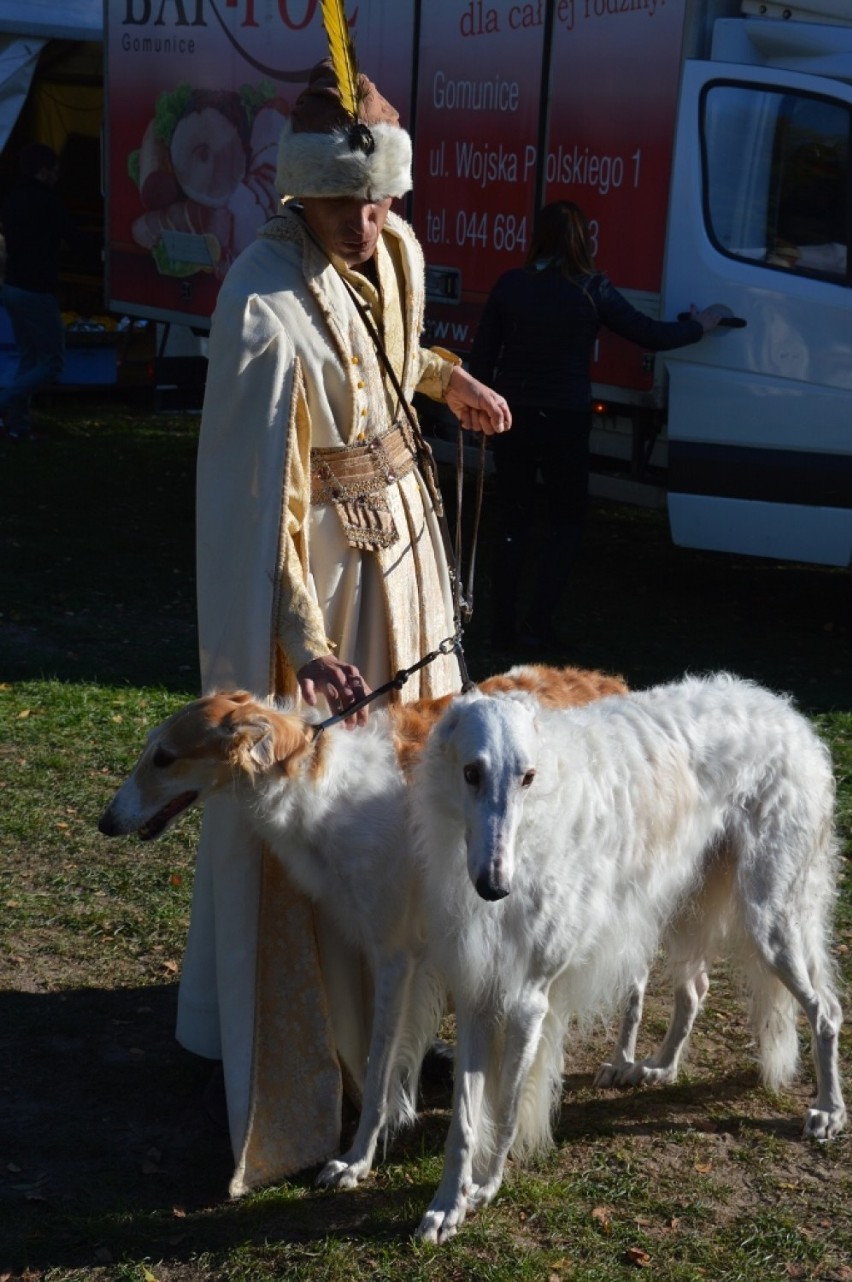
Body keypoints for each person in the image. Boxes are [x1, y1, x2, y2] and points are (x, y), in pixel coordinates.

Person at [180, 60, 510, 1197]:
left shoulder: (399, 250)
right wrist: (300, 632)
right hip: (322, 578)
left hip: (407, 550)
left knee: (425, 785)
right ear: (297, 193)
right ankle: (328, 1046)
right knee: (333, 805)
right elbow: (257, 491)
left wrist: (447, 378)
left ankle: (415, 1010)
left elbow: (386, 354)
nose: (367, 223)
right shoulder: (259, 302)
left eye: (380, 201)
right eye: (344, 205)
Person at [468, 200, 722, 649]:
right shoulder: (591, 289)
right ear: (584, 240)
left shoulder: (510, 285)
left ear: (537, 237)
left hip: (513, 417)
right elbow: (651, 334)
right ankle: (537, 625)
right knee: (566, 522)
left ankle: (500, 628)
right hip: (566, 419)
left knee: (513, 521)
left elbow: (482, 360)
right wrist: (701, 325)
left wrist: (476, 411)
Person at [0, 144, 82, 439]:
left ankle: (19, 426)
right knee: (52, 363)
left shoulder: (10, 199)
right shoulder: (47, 201)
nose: (57, 177)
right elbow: (74, 238)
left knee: (28, 358)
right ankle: (5, 403)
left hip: (11, 287)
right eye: (55, 171)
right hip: (37, 290)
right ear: (43, 171)